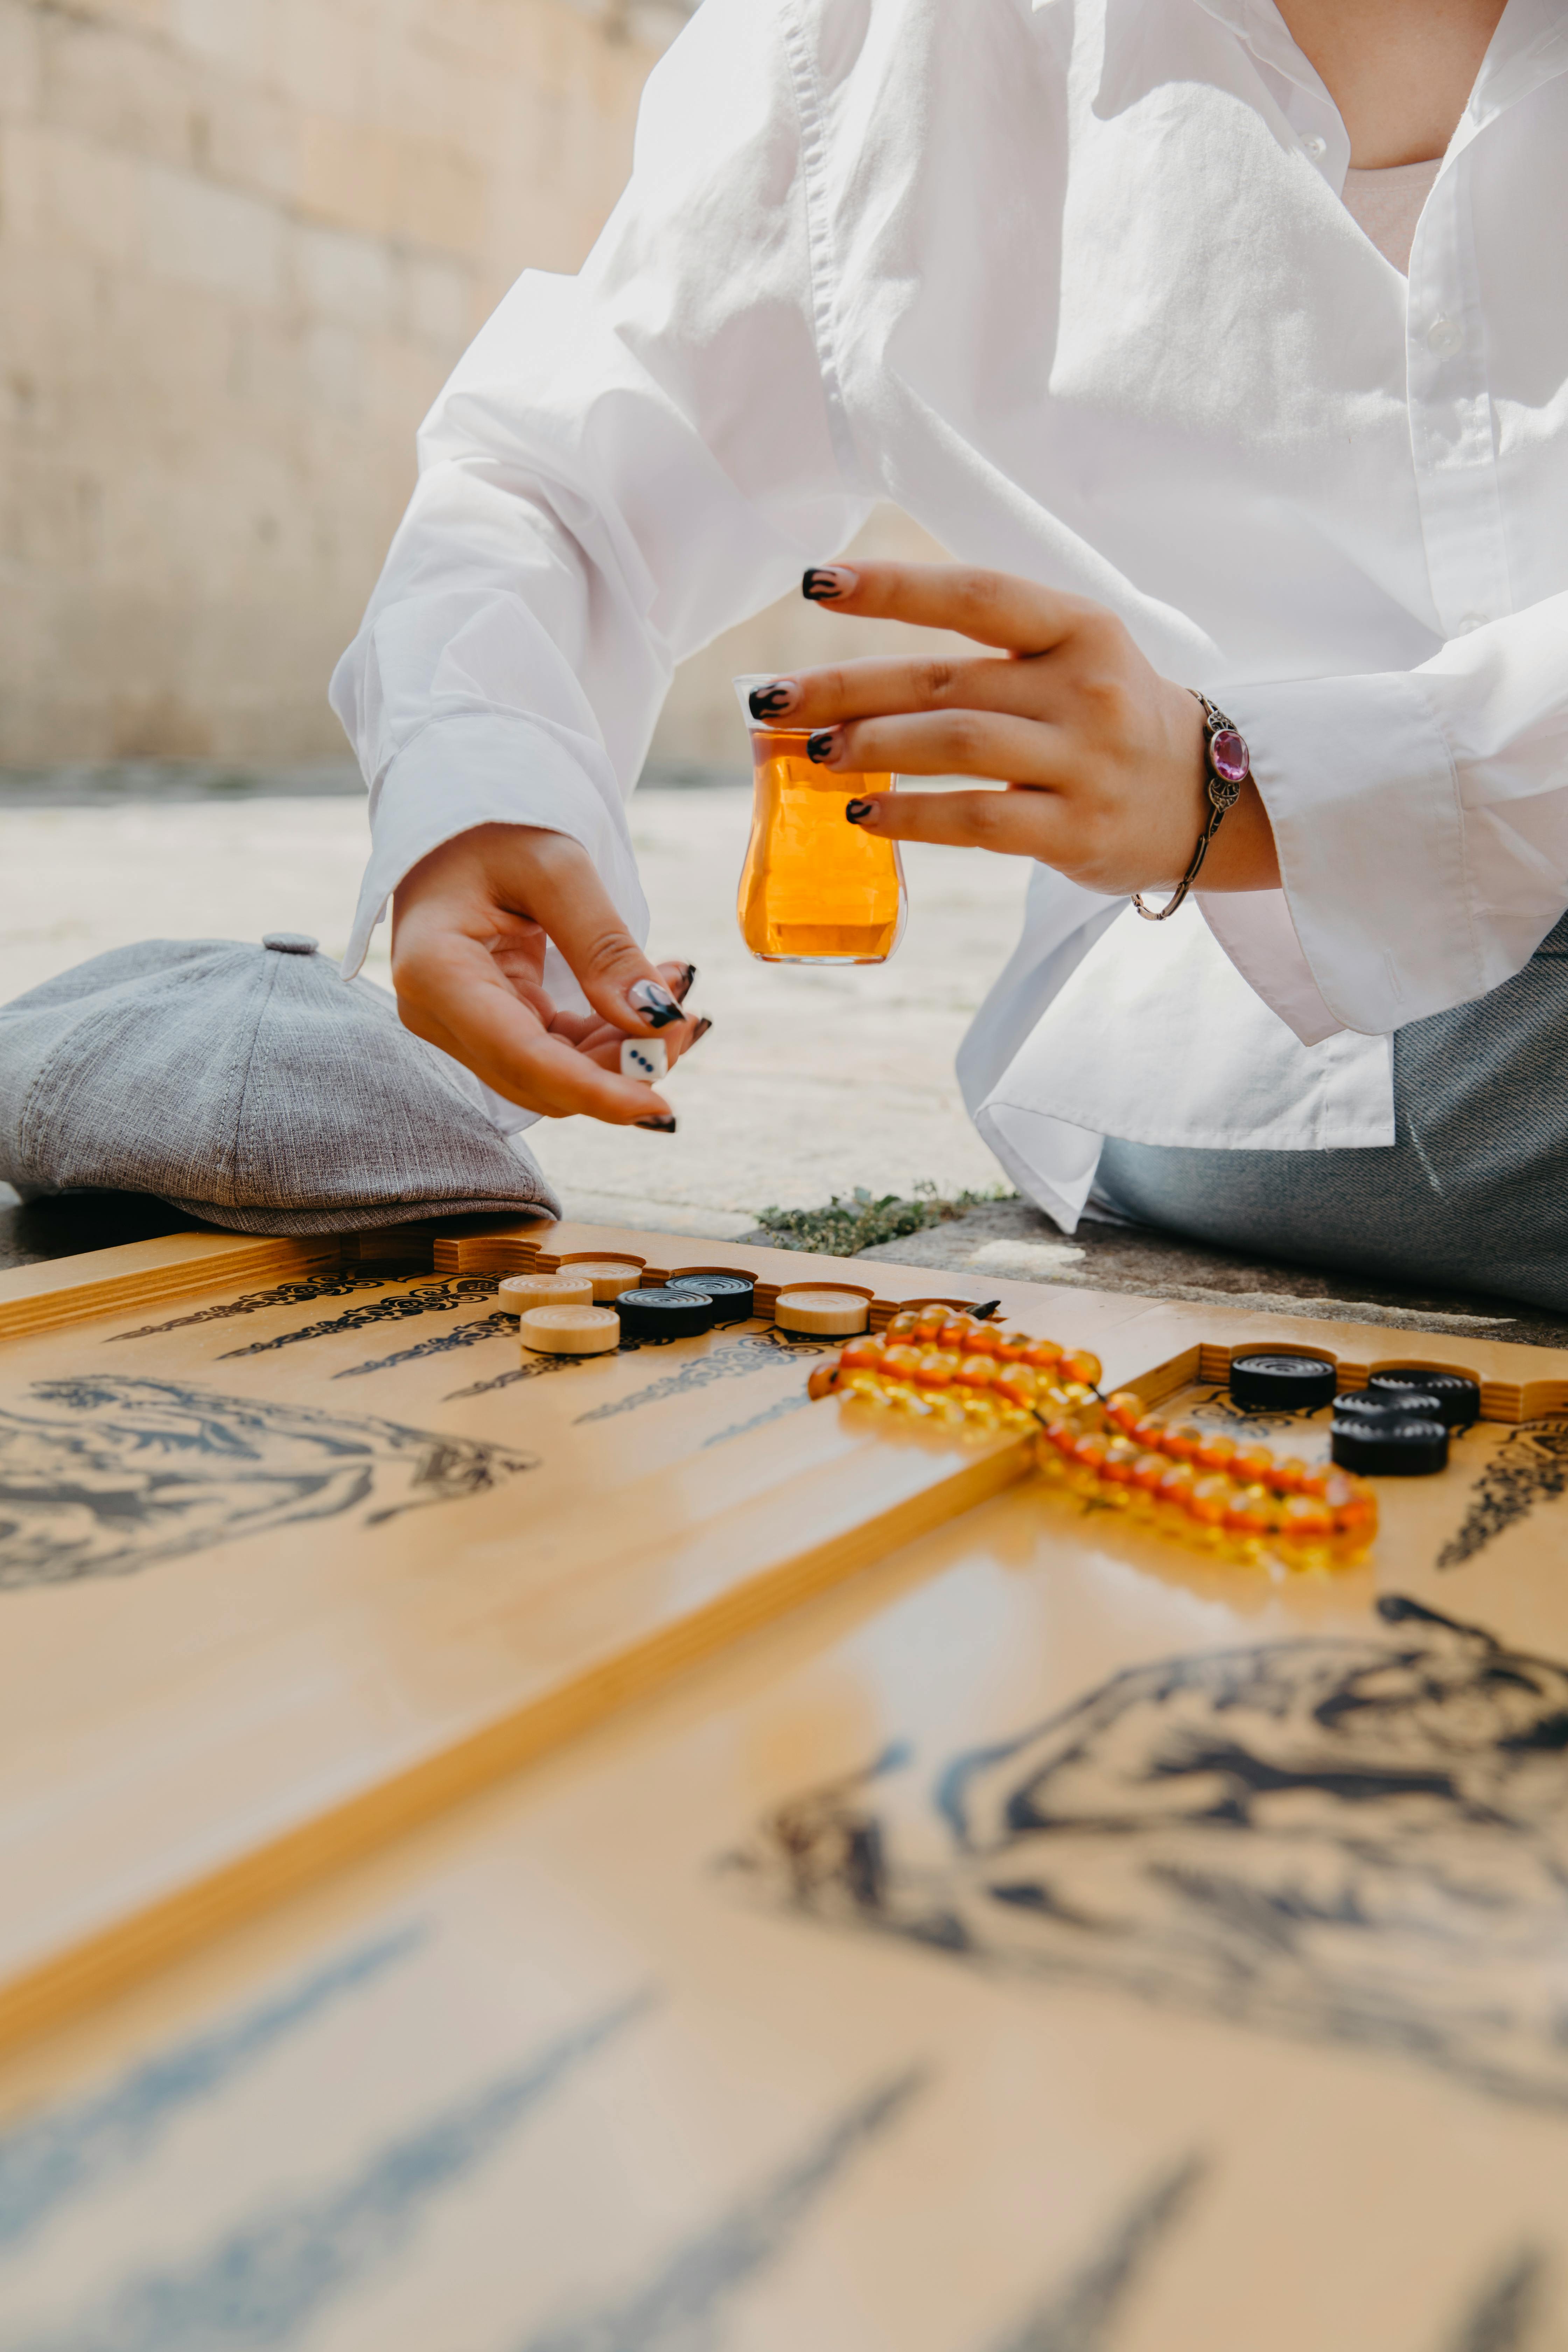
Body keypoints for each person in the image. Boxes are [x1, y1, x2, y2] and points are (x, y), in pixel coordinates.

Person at [331, 0, 1568, 1308]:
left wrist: (1272, 784)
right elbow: (561, 472)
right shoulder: (886, 43)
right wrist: (480, 797)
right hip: (1262, 1006)